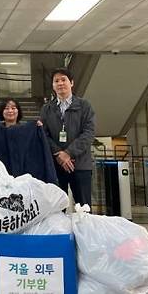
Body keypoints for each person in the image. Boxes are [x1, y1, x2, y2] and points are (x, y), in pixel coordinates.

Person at [39, 67, 96, 207]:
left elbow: (89, 133)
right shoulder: (47, 108)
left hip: (81, 164)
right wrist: (59, 154)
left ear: (71, 83)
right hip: (56, 166)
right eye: (56, 81)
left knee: (84, 208)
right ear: (53, 86)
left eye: (63, 80)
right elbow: (43, 135)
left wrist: (68, 153)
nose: (60, 83)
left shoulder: (84, 106)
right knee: (56, 209)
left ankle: (84, 229)